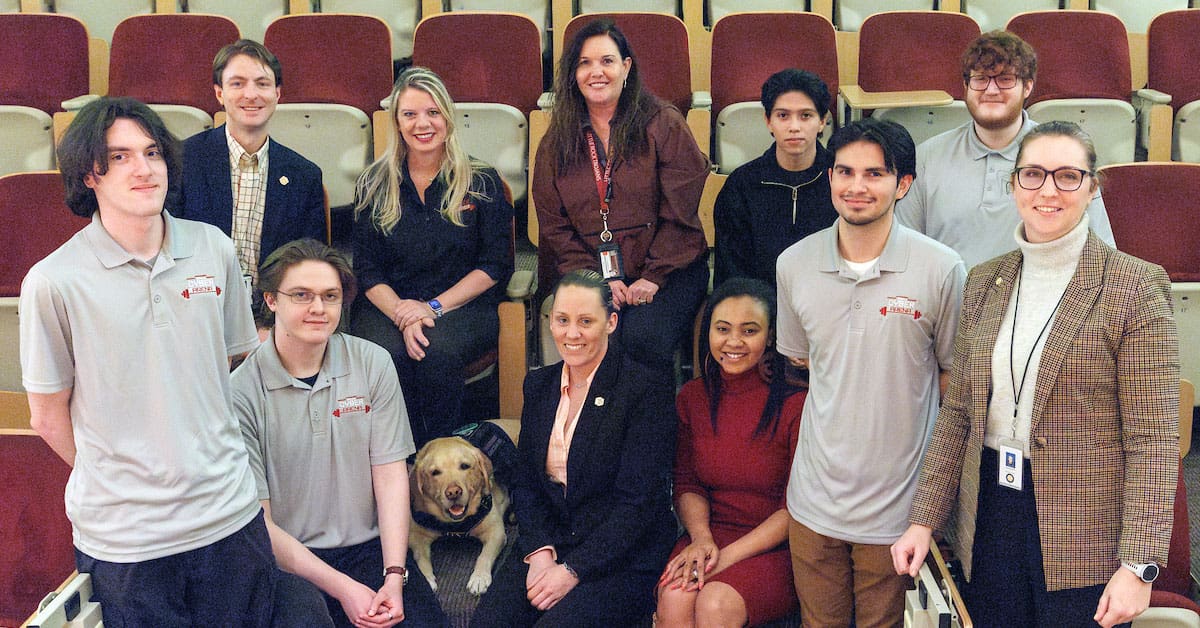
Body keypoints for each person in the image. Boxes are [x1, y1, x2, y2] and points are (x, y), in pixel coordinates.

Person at [891, 121, 1179, 628]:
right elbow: (958, 413)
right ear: (1013, 185)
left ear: (1092, 188)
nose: (1048, 190)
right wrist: (924, 519)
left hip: (1085, 530)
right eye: (1033, 174)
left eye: (1068, 176)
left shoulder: (1135, 285)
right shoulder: (983, 281)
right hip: (991, 518)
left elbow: (1153, 437)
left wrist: (1140, 564)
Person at [19, 96, 276, 626]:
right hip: (126, 541)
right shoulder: (52, 281)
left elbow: (234, 361)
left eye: (152, 152)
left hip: (229, 516)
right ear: (88, 175)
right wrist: (127, 479)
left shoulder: (213, 248)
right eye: (119, 157)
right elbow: (46, 417)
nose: (143, 168)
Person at [776, 118, 966, 627]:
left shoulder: (942, 268)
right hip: (813, 502)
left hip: (897, 509)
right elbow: (802, 362)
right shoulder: (793, 264)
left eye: (875, 174)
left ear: (903, 185)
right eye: (844, 171)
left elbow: (952, 383)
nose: (856, 187)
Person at [233, 239, 448, 628]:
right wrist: (343, 588)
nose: (318, 308)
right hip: (289, 561)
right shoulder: (240, 392)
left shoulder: (373, 363)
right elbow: (258, 523)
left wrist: (394, 576)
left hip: (370, 549)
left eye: (330, 296)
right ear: (271, 300)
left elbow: (389, 476)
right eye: (301, 295)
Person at [470, 269, 677, 627]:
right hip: (551, 542)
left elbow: (639, 504)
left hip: (620, 555)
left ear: (611, 322)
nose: (572, 333)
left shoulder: (646, 390)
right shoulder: (538, 385)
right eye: (562, 320)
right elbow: (525, 481)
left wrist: (572, 570)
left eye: (586, 321)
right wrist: (539, 553)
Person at [533, 18, 709, 372]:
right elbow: (555, 228)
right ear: (573, 74)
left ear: (626, 67)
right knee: (596, 337)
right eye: (585, 63)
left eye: (607, 61)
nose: (596, 72)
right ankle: (593, 426)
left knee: (643, 339)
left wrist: (653, 276)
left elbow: (680, 212)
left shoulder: (663, 123)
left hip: (667, 269)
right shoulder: (558, 140)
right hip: (587, 268)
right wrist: (599, 278)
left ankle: (648, 427)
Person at [350, 67, 514, 448]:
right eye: (410, 114)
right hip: (387, 304)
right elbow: (367, 270)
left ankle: (439, 458)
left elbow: (494, 265)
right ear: (397, 122)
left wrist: (432, 308)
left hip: (461, 305)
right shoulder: (372, 183)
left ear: (448, 118)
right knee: (384, 355)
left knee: (436, 353)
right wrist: (403, 313)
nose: (422, 124)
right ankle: (394, 462)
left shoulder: (482, 180)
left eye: (432, 112)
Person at [655, 278, 806, 627]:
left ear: (770, 336)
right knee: (675, 597)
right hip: (707, 533)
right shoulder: (692, 397)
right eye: (722, 329)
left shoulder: (796, 403)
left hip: (773, 546)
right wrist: (702, 540)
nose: (733, 342)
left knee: (715, 604)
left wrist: (723, 559)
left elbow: (794, 508)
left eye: (749, 330)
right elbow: (687, 482)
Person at [895, 30, 1115, 269]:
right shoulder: (927, 157)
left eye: (1005, 79)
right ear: (965, 86)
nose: (991, 90)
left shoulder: (1067, 156)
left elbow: (1100, 255)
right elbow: (905, 249)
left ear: (1028, 87)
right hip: (948, 303)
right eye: (980, 79)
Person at [179, 39, 325, 289]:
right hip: (193, 307)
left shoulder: (304, 176)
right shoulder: (182, 160)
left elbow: (308, 266)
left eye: (262, 84)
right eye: (237, 83)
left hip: (270, 314)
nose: (251, 94)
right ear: (219, 93)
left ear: (277, 94)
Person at [713, 69, 838, 288]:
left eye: (806, 115)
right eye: (783, 115)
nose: (794, 127)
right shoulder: (741, 185)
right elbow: (732, 272)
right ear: (768, 121)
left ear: (822, 121)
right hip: (760, 308)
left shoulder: (841, 179)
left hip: (829, 303)